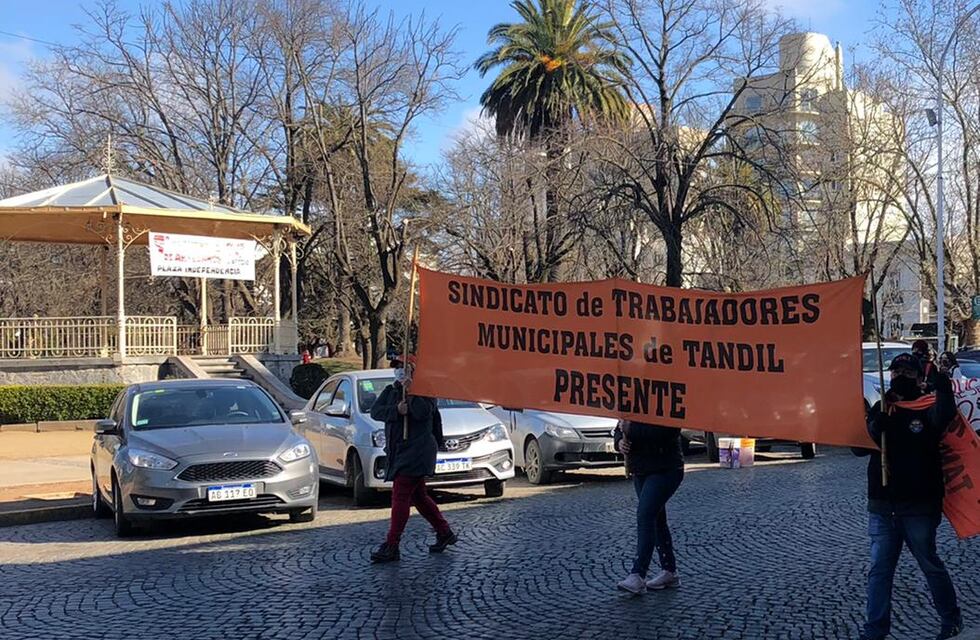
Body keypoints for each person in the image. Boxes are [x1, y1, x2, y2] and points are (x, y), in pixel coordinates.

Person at [855, 353, 962, 640]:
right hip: (883, 505)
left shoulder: (927, 408)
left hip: (919, 505)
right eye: (896, 371)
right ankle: (875, 630)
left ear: (918, 377)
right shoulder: (881, 408)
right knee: (879, 571)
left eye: (907, 371)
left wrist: (942, 382)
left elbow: (946, 414)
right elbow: (858, 448)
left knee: (929, 564)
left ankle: (950, 619)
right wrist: (873, 427)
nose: (900, 375)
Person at [369, 354, 456, 563]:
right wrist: (396, 410)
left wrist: (411, 393)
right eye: (397, 367)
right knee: (419, 497)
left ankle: (392, 545)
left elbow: (422, 413)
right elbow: (376, 412)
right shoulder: (391, 390)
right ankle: (444, 532)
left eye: (404, 366)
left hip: (417, 452)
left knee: (400, 496)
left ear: (414, 370)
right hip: (399, 450)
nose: (399, 370)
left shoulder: (425, 391)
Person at [614, 420, 685, 594]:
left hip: (665, 468)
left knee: (645, 515)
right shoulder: (631, 408)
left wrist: (632, 429)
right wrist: (619, 442)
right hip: (641, 468)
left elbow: (669, 430)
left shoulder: (662, 406)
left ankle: (638, 573)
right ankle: (669, 570)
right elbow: (619, 426)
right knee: (656, 518)